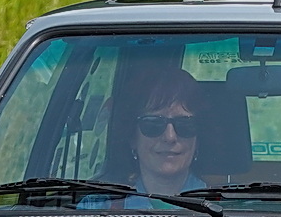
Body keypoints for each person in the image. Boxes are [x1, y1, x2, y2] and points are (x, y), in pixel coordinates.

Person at [87, 67, 207, 209]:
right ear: (132, 137)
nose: (170, 137)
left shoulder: (228, 207)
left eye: (185, 124)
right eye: (153, 124)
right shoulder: (96, 207)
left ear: (198, 139)